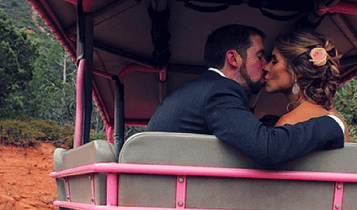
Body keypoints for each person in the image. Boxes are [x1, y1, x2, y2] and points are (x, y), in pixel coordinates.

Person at [146, 24, 346, 166]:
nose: (265, 66)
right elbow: (267, 148)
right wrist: (334, 123)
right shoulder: (220, 91)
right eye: (259, 56)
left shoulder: (203, 89)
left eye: (271, 60)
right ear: (233, 58)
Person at [263, 29, 351, 142]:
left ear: (298, 71)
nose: (266, 68)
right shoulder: (336, 118)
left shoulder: (289, 124)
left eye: (274, 61)